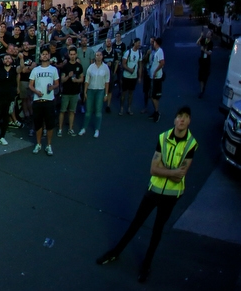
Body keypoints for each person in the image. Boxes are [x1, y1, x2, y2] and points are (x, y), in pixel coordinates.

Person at [96, 106, 198, 283]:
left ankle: (146, 265)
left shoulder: (191, 144)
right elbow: (153, 169)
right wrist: (172, 172)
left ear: (189, 121)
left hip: (172, 195)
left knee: (157, 230)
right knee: (136, 223)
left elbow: (181, 175)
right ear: (174, 119)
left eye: (186, 117)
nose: (182, 120)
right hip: (154, 190)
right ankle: (115, 252)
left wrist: (165, 170)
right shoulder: (163, 137)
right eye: (179, 116)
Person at [29, 47, 59, 156]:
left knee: (50, 124)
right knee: (38, 124)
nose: (45, 56)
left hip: (49, 101)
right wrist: (36, 91)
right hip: (38, 101)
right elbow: (30, 85)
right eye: (43, 54)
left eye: (47, 54)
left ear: (49, 56)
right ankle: (38, 144)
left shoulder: (53, 69)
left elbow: (57, 83)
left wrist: (52, 87)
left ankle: (49, 145)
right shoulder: (35, 70)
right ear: (40, 56)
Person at [81, 50, 109, 137]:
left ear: (102, 56)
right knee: (88, 111)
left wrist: (106, 94)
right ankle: (84, 128)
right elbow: (87, 80)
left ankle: (97, 129)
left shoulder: (105, 67)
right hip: (90, 90)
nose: (99, 56)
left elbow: (107, 82)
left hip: (100, 91)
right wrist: (85, 92)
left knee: (98, 111)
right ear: (95, 57)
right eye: (97, 55)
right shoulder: (91, 67)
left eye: (100, 55)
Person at [57, 47, 84, 137]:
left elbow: (82, 79)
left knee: (72, 111)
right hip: (66, 92)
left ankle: (70, 129)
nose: (72, 56)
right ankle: (60, 129)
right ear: (69, 55)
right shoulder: (65, 66)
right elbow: (62, 80)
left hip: (75, 92)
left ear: (76, 55)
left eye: (74, 54)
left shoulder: (79, 66)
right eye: (71, 54)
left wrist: (76, 80)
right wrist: (69, 76)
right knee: (63, 111)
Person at [119, 38, 141, 116]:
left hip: (134, 77)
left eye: (139, 43)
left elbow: (140, 66)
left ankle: (129, 108)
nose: (139, 44)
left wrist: (139, 77)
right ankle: (121, 108)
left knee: (131, 93)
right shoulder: (128, 52)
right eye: (138, 43)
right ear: (134, 43)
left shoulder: (140, 53)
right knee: (123, 93)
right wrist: (129, 70)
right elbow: (123, 64)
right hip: (126, 76)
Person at [147, 37, 165, 122]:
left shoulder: (160, 51)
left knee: (153, 96)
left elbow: (162, 63)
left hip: (156, 77)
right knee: (152, 95)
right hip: (153, 76)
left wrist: (155, 72)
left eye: (154, 42)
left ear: (156, 43)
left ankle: (157, 112)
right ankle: (155, 111)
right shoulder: (156, 51)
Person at [196, 28, 214, 98]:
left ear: (211, 36)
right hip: (202, 61)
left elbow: (209, 53)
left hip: (207, 62)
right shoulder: (203, 40)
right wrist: (200, 37)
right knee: (200, 77)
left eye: (209, 34)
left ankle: (203, 87)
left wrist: (204, 50)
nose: (207, 34)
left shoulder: (211, 43)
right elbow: (197, 43)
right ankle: (201, 91)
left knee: (205, 76)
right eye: (207, 33)